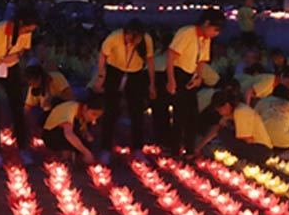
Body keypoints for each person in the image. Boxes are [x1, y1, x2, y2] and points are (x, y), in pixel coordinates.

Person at [0, 7, 39, 156]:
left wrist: (16, 56)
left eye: (31, 31)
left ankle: (23, 147)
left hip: (11, 67)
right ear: (20, 23)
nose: (28, 33)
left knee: (18, 106)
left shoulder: (26, 33)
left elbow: (24, 49)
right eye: (27, 29)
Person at [93, 19, 156, 158]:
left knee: (137, 112)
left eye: (136, 38)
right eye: (129, 36)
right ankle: (106, 149)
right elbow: (103, 55)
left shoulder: (146, 39)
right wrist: (101, 76)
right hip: (114, 72)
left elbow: (150, 60)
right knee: (110, 110)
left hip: (136, 74)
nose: (131, 40)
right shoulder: (114, 37)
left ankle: (137, 148)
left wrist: (152, 83)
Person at [165, 11, 223, 156]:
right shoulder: (187, 32)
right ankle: (174, 150)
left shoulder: (205, 39)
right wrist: (171, 80)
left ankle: (190, 149)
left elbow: (202, 60)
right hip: (178, 73)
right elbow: (171, 56)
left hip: (191, 75)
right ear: (206, 23)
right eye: (215, 30)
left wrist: (198, 77)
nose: (216, 34)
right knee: (179, 114)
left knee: (192, 114)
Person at [40, 92, 102, 165]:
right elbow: (68, 134)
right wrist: (86, 152)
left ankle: (77, 159)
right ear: (85, 107)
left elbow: (83, 130)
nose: (93, 118)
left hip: (68, 133)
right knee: (70, 139)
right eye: (93, 114)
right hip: (52, 134)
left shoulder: (81, 111)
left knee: (87, 142)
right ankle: (64, 160)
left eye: (97, 116)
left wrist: (88, 137)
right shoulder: (70, 109)